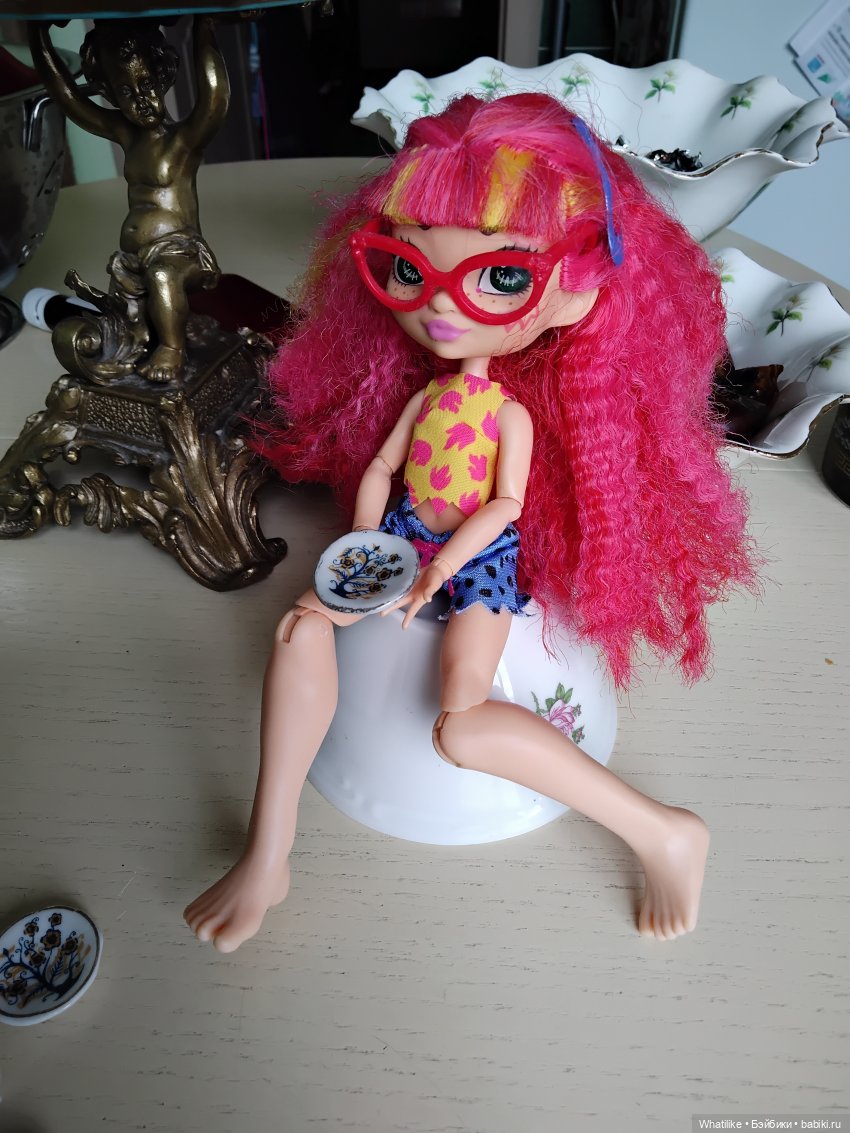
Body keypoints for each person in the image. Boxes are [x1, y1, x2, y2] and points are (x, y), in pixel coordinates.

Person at [184, 93, 757, 952]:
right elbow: (381, 469)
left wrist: (440, 570)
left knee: (460, 717)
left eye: (502, 278)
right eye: (405, 267)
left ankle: (663, 830)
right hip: (402, 536)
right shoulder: (423, 399)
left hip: (478, 561)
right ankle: (269, 854)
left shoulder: (509, 417)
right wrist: (366, 549)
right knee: (301, 629)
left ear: (573, 292)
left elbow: (504, 505)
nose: (441, 306)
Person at [30, 17, 228, 382]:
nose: (141, 100)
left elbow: (214, 96)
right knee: (125, 329)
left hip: (181, 254)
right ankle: (141, 345)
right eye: (126, 91)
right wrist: (38, 34)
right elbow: (68, 98)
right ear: (109, 92)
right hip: (131, 262)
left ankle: (173, 350)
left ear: (163, 77)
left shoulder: (183, 140)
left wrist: (205, 27)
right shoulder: (126, 133)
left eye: (147, 84)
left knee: (163, 276)